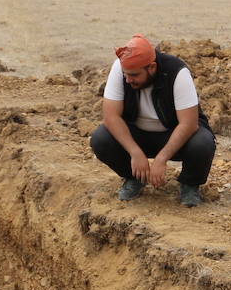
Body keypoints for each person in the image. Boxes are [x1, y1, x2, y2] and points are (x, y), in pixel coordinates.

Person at [89, 34, 216, 208]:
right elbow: (111, 117)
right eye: (126, 75)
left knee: (203, 142)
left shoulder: (177, 72)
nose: (128, 80)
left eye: (134, 75)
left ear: (152, 67)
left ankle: (189, 184)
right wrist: (135, 153)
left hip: (172, 135)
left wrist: (162, 159)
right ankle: (134, 178)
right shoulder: (120, 68)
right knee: (101, 138)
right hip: (137, 136)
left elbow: (189, 124)